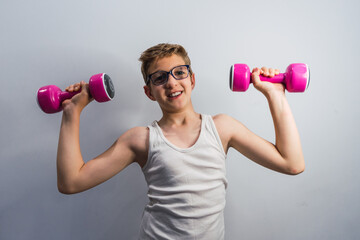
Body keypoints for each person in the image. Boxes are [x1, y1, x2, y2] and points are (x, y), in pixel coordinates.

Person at [57, 43, 305, 239]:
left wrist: (275, 94)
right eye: (159, 78)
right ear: (149, 92)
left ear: (192, 79)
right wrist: (71, 112)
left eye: (179, 73)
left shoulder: (221, 127)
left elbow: (291, 163)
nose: (172, 82)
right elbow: (71, 182)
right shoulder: (141, 139)